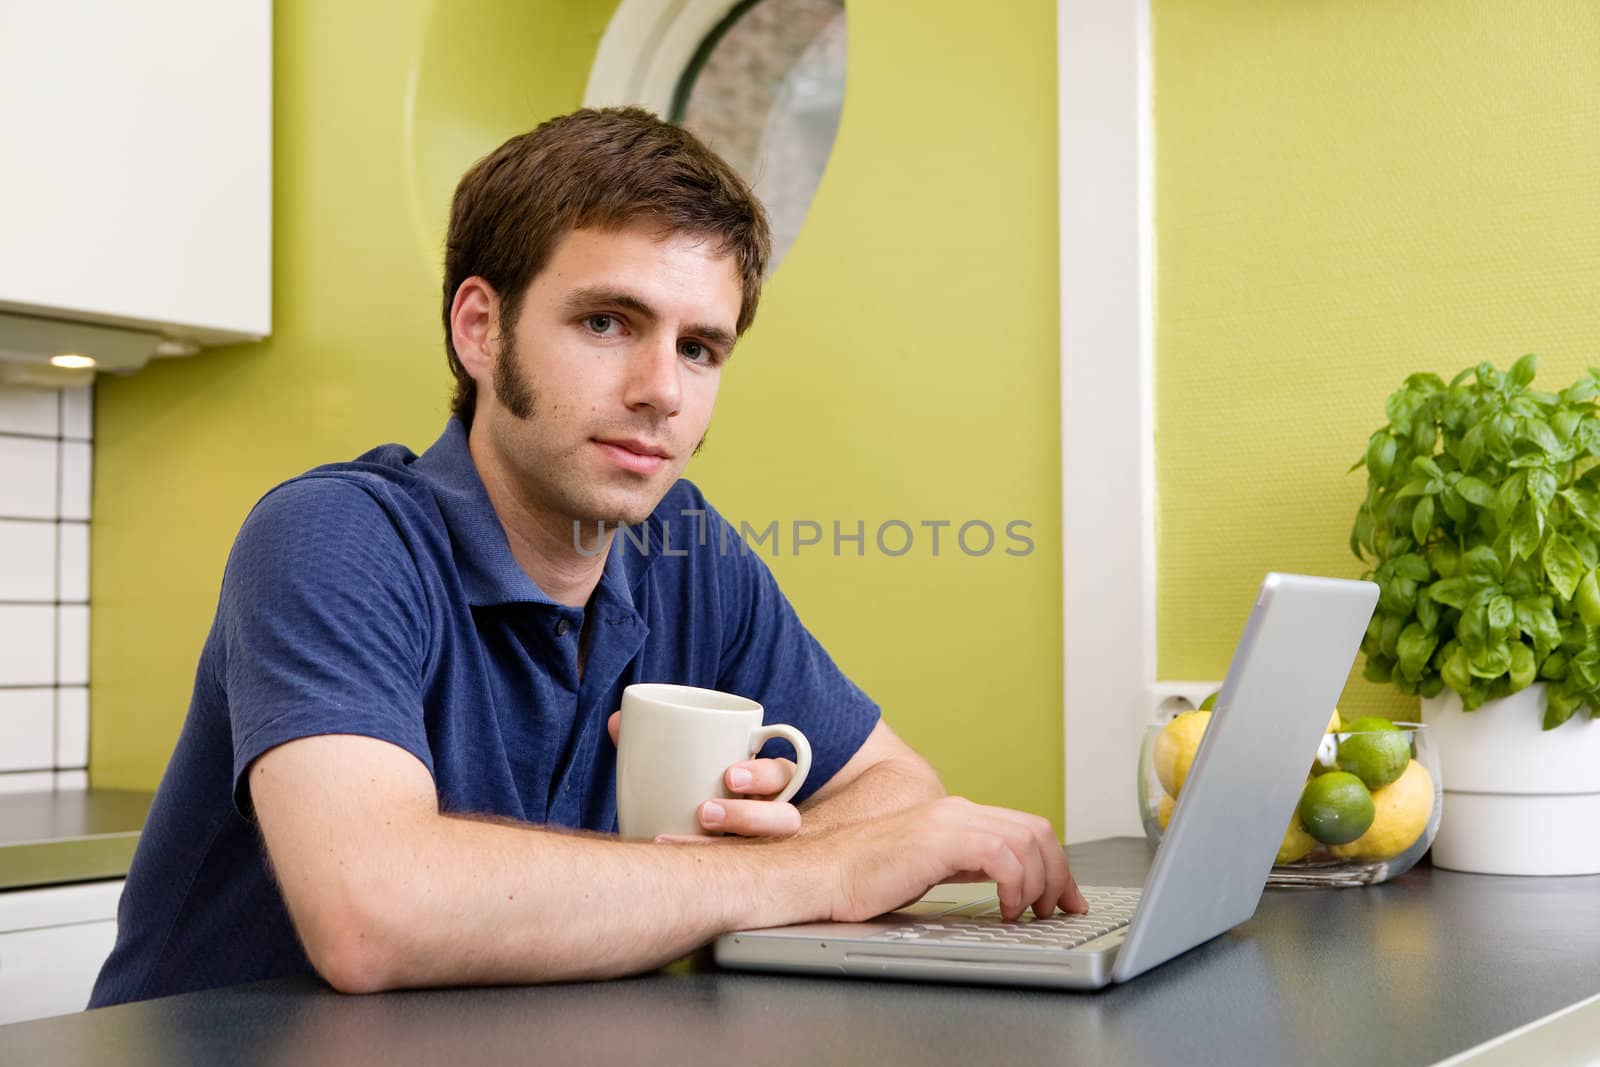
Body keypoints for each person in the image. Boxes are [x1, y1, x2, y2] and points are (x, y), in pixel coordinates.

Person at [89, 107, 1085, 1007]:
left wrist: (764, 843)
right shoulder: (335, 534)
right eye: (608, 321)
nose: (662, 389)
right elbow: (371, 909)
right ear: (480, 327)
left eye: (701, 347)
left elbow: (897, 791)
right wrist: (812, 871)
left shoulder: (686, 547)